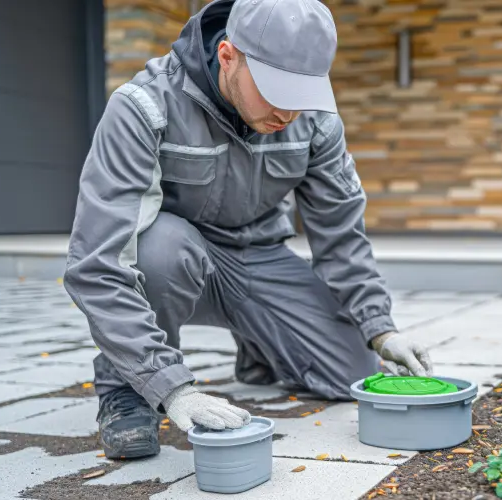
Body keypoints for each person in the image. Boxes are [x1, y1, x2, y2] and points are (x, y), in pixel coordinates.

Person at [64, 0, 433, 459]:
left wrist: (381, 329)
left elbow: (341, 233)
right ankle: (128, 390)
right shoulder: (144, 107)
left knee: (350, 372)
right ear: (227, 56)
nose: (288, 113)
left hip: (257, 256)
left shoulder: (314, 122)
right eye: (276, 90)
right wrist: (173, 388)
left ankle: (258, 341)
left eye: (301, 94)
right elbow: (97, 264)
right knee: (159, 250)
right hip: (177, 261)